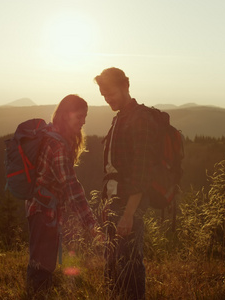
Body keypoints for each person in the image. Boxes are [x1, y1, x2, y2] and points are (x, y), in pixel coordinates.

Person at [25, 94, 99, 296]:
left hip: (39, 209)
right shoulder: (58, 146)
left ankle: (34, 293)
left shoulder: (51, 134)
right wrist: (91, 223)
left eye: (85, 117)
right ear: (67, 115)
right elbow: (71, 188)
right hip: (44, 213)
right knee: (42, 269)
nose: (83, 121)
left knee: (39, 264)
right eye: (80, 116)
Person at [95, 67, 157, 299]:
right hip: (114, 202)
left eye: (110, 93)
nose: (108, 99)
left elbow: (142, 172)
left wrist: (129, 213)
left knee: (129, 264)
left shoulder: (140, 119)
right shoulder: (120, 117)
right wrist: (107, 204)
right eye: (103, 95)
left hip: (128, 204)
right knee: (112, 263)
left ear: (125, 87)